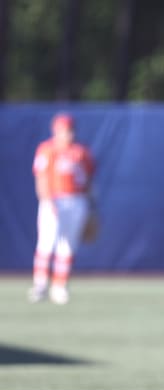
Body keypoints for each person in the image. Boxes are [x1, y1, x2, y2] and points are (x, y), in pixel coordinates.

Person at [29, 112, 95, 305]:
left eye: (70, 130)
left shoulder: (81, 152)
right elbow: (41, 177)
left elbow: (89, 181)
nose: (68, 134)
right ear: (55, 131)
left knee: (67, 246)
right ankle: (40, 284)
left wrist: (91, 207)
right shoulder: (47, 149)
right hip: (53, 199)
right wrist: (47, 201)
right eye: (64, 130)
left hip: (77, 200)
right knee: (46, 243)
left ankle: (59, 286)